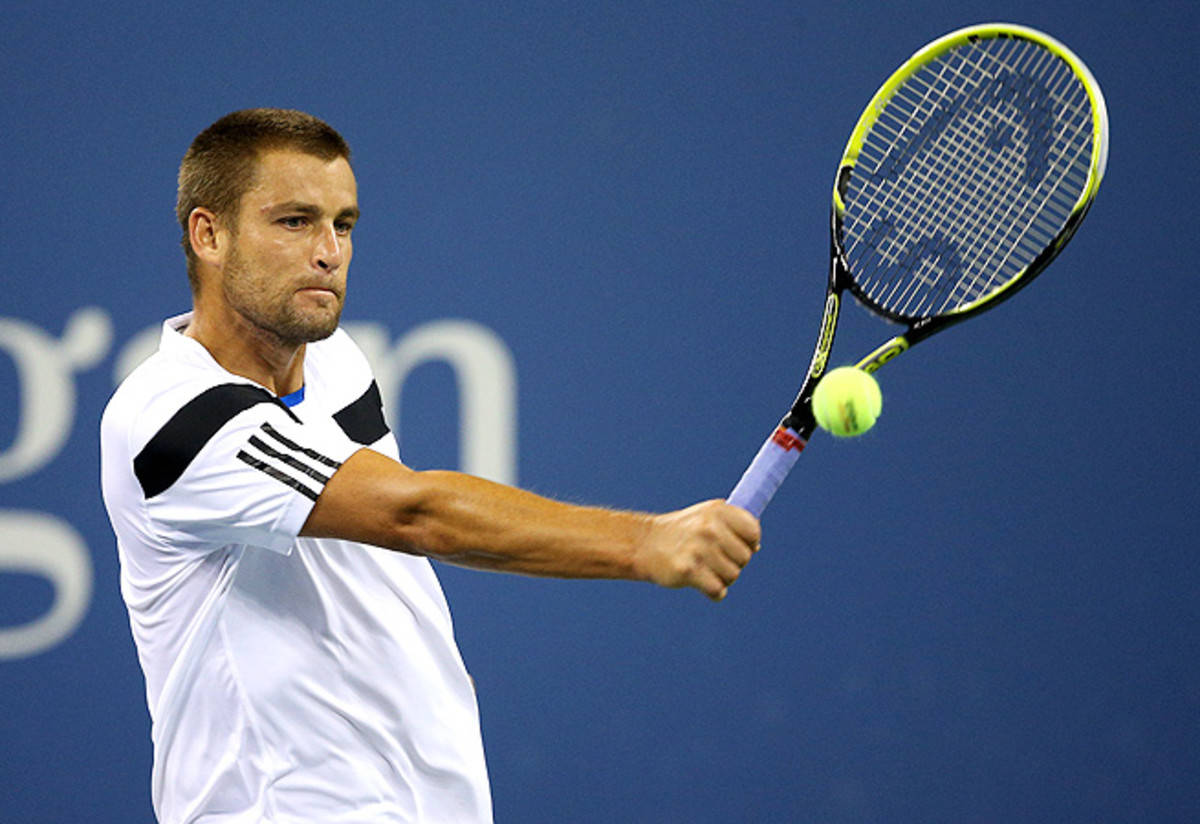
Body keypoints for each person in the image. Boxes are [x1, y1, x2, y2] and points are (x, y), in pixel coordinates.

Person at [100, 108, 760, 824]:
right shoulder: (173, 419)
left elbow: (379, 567)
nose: (329, 252)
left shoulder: (335, 362)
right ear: (209, 234)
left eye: (343, 225)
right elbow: (414, 514)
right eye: (293, 222)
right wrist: (643, 542)